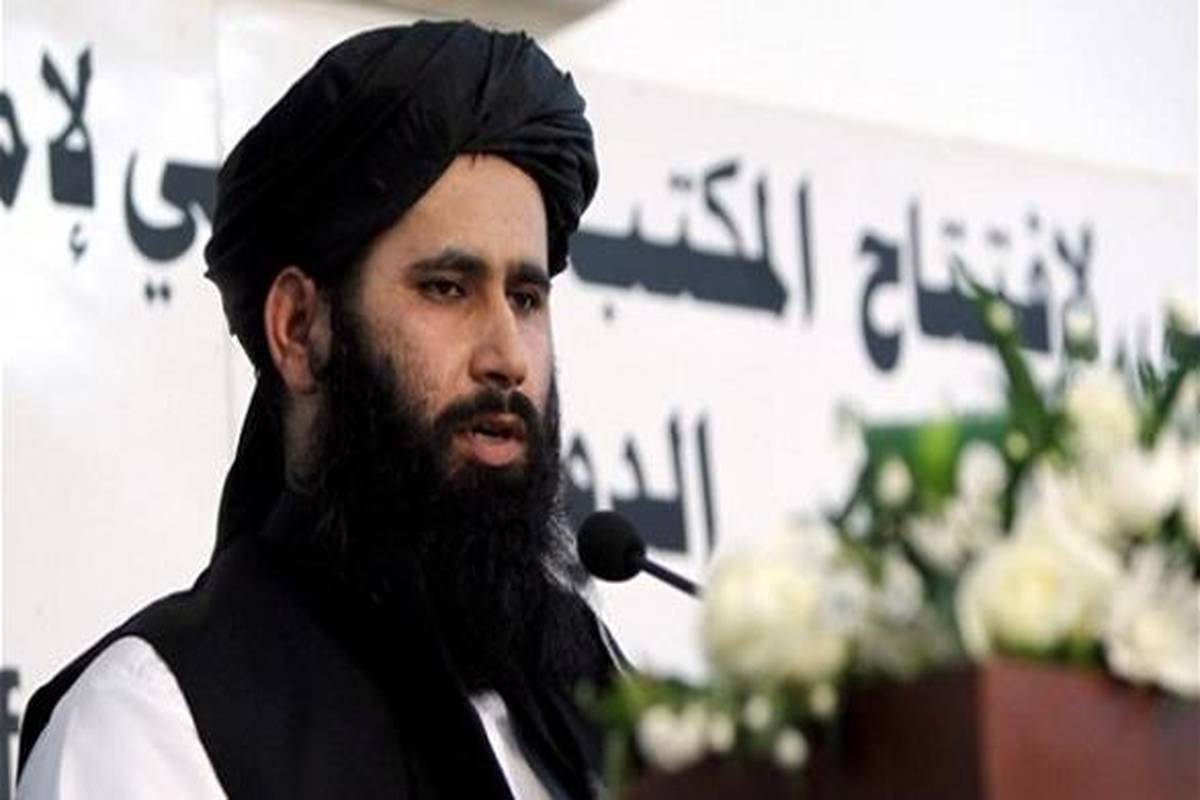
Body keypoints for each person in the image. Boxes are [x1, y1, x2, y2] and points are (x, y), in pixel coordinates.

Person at [17, 20, 620, 799]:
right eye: (447, 288)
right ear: (300, 329)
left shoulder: (594, 691)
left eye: (527, 297)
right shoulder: (154, 721)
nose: (508, 355)